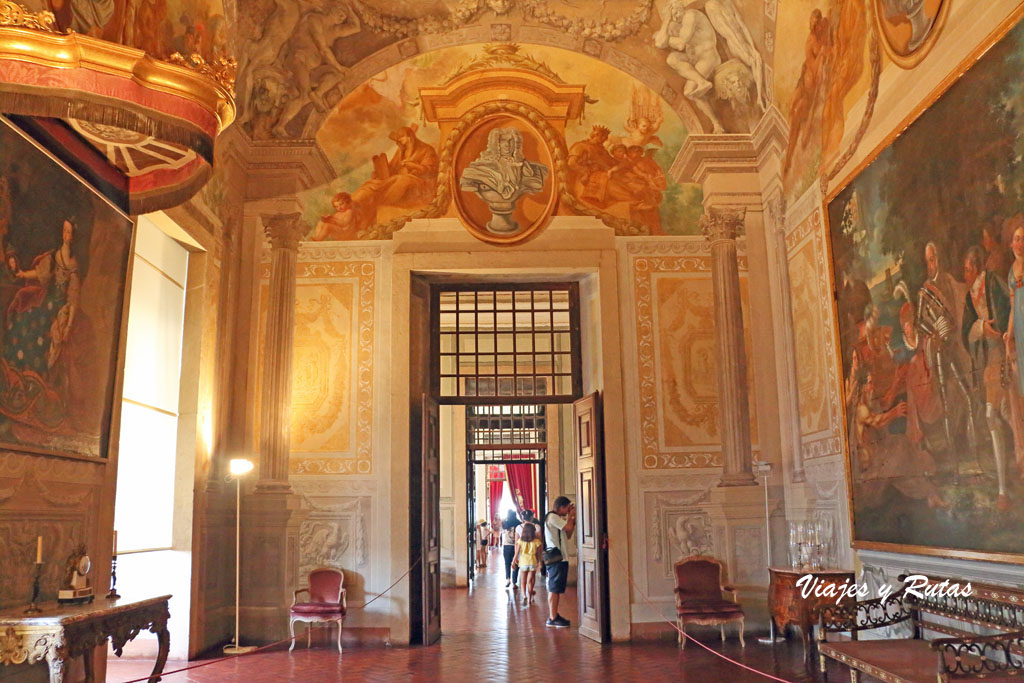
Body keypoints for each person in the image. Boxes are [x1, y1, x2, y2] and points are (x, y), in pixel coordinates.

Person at [543, 496, 575, 628]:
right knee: (554, 588)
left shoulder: (558, 519)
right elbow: (568, 527)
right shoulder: (553, 517)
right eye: (567, 508)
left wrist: (571, 518)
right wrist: (571, 516)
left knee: (556, 588)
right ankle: (552, 617)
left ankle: (554, 615)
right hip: (557, 559)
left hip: (560, 558)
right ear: (561, 507)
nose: (567, 511)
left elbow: (568, 534)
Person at [511, 523, 541, 606]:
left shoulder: (520, 541)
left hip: (523, 562)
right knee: (530, 581)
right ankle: (530, 596)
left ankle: (524, 595)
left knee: (523, 581)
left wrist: (513, 562)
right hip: (532, 562)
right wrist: (540, 562)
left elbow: (516, 553)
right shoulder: (536, 541)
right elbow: (538, 554)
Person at [500, 509, 520, 589]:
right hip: (517, 546)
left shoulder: (505, 523)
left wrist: (505, 518)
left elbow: (501, 524)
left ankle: (508, 579)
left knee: (507, 563)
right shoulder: (518, 523)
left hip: (507, 545)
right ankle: (514, 583)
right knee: (516, 563)